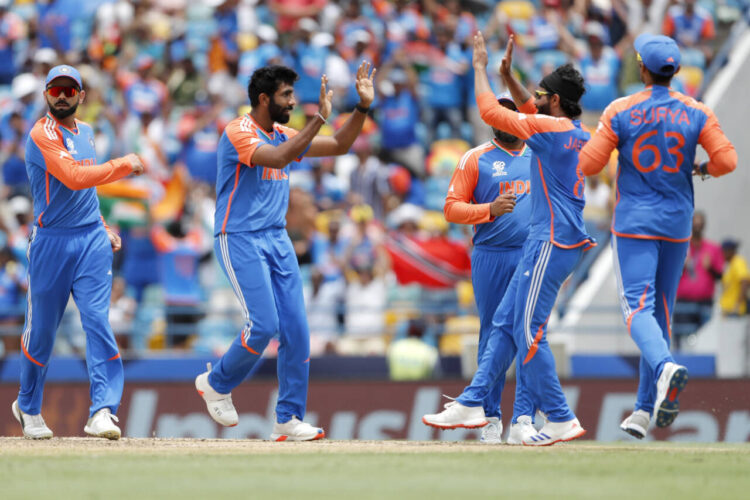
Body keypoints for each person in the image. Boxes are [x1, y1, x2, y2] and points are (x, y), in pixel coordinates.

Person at [423, 33, 593, 446]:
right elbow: (534, 107)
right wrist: (509, 75)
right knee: (503, 324)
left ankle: (551, 416)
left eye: (538, 95)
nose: (527, 102)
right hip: (528, 245)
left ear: (553, 101)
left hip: (549, 241)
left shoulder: (546, 134)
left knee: (527, 331)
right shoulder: (569, 129)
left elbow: (489, 108)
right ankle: (477, 401)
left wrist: (480, 67)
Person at [195, 62, 376, 442]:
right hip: (239, 235)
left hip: (277, 239)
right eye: (286, 95)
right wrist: (319, 119)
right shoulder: (238, 132)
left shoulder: (282, 133)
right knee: (263, 325)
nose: (294, 102)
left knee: (296, 328)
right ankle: (215, 382)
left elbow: (341, 146)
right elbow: (277, 158)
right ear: (264, 99)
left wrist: (361, 108)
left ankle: (288, 418)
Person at [579, 34, 736, 439]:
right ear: (676, 71)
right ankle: (644, 410)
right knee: (659, 314)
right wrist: (700, 169)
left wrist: (581, 139)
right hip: (678, 223)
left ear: (642, 69)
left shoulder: (620, 109)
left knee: (636, 310)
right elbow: (727, 161)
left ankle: (665, 368)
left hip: (634, 222)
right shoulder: (696, 110)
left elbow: (591, 165)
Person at [12, 65, 145, 440]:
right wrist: (123, 165)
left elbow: (85, 190)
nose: (63, 96)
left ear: (81, 96)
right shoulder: (41, 134)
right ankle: (28, 405)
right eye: (56, 89)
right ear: (46, 95)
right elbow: (72, 177)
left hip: (90, 241)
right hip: (51, 242)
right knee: (41, 333)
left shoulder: (86, 132)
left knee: (97, 322)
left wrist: (101, 226)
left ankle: (103, 410)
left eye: (70, 90)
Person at [439, 93, 537, 444]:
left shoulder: (538, 154)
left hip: (531, 255)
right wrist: (489, 209)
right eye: (501, 114)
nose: (507, 120)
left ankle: (524, 418)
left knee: (529, 333)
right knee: (494, 332)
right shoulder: (475, 158)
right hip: (490, 254)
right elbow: (451, 209)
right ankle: (490, 417)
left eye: (513, 113)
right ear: (491, 121)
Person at [719, 240, 749, 317]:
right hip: (729, 308)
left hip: (734, 310)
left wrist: (738, 304)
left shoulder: (738, 262)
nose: (722, 255)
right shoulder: (730, 264)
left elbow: (745, 281)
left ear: (729, 251)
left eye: (723, 252)